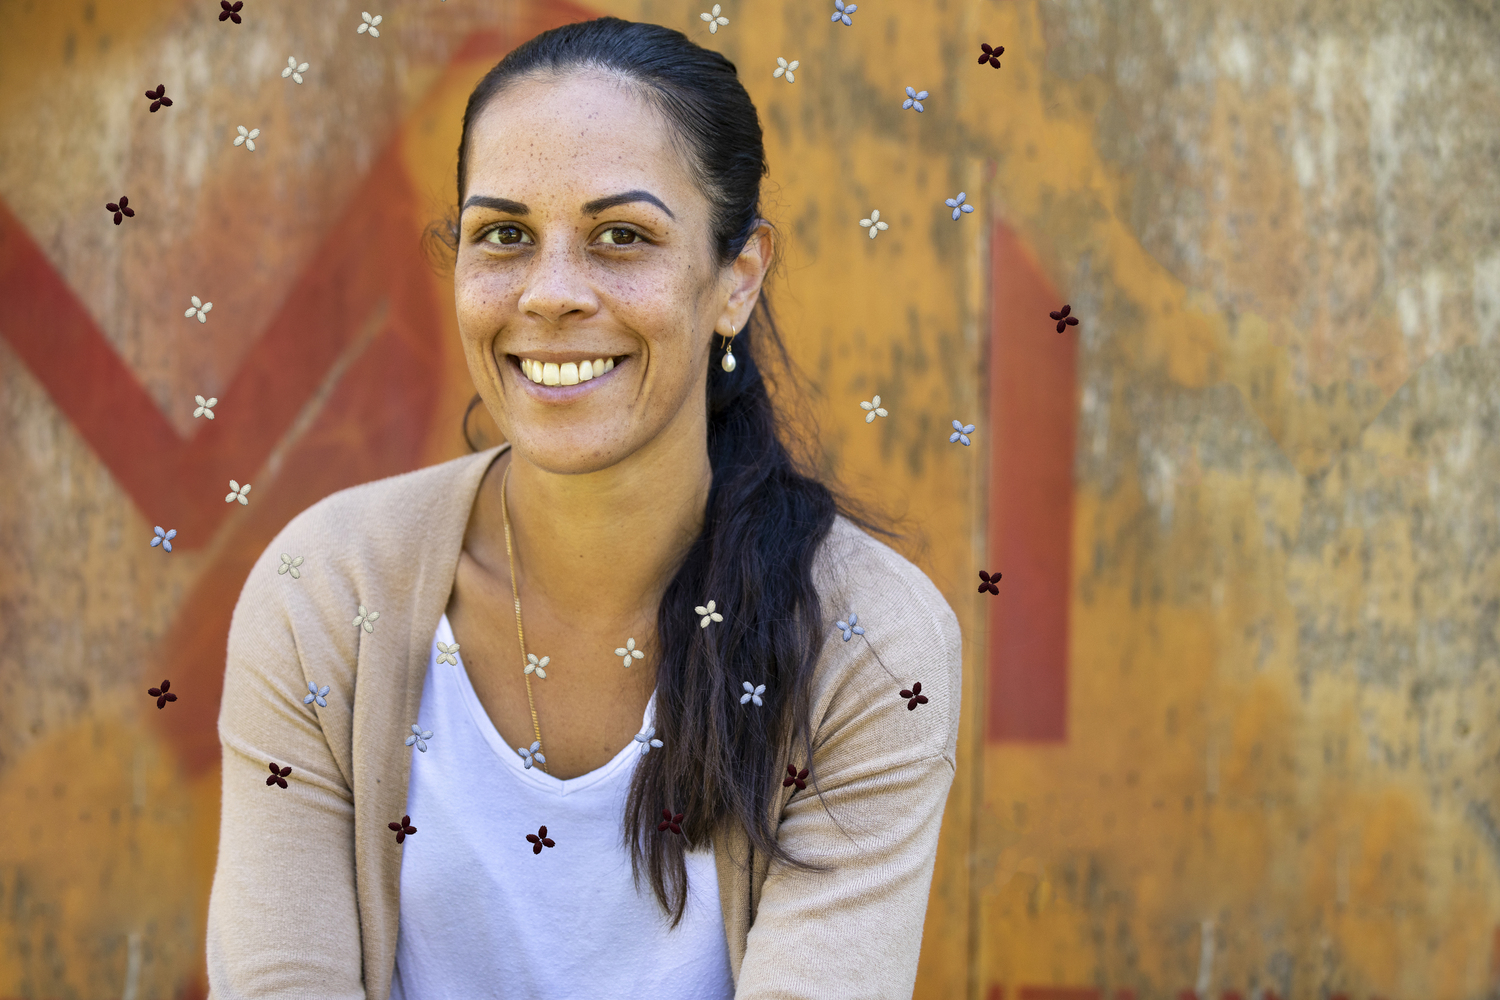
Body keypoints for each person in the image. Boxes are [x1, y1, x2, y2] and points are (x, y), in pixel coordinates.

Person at [206, 16, 961, 1000]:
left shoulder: (865, 640)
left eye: (622, 236)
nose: (552, 293)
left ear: (737, 278)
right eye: (505, 235)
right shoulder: (327, 591)